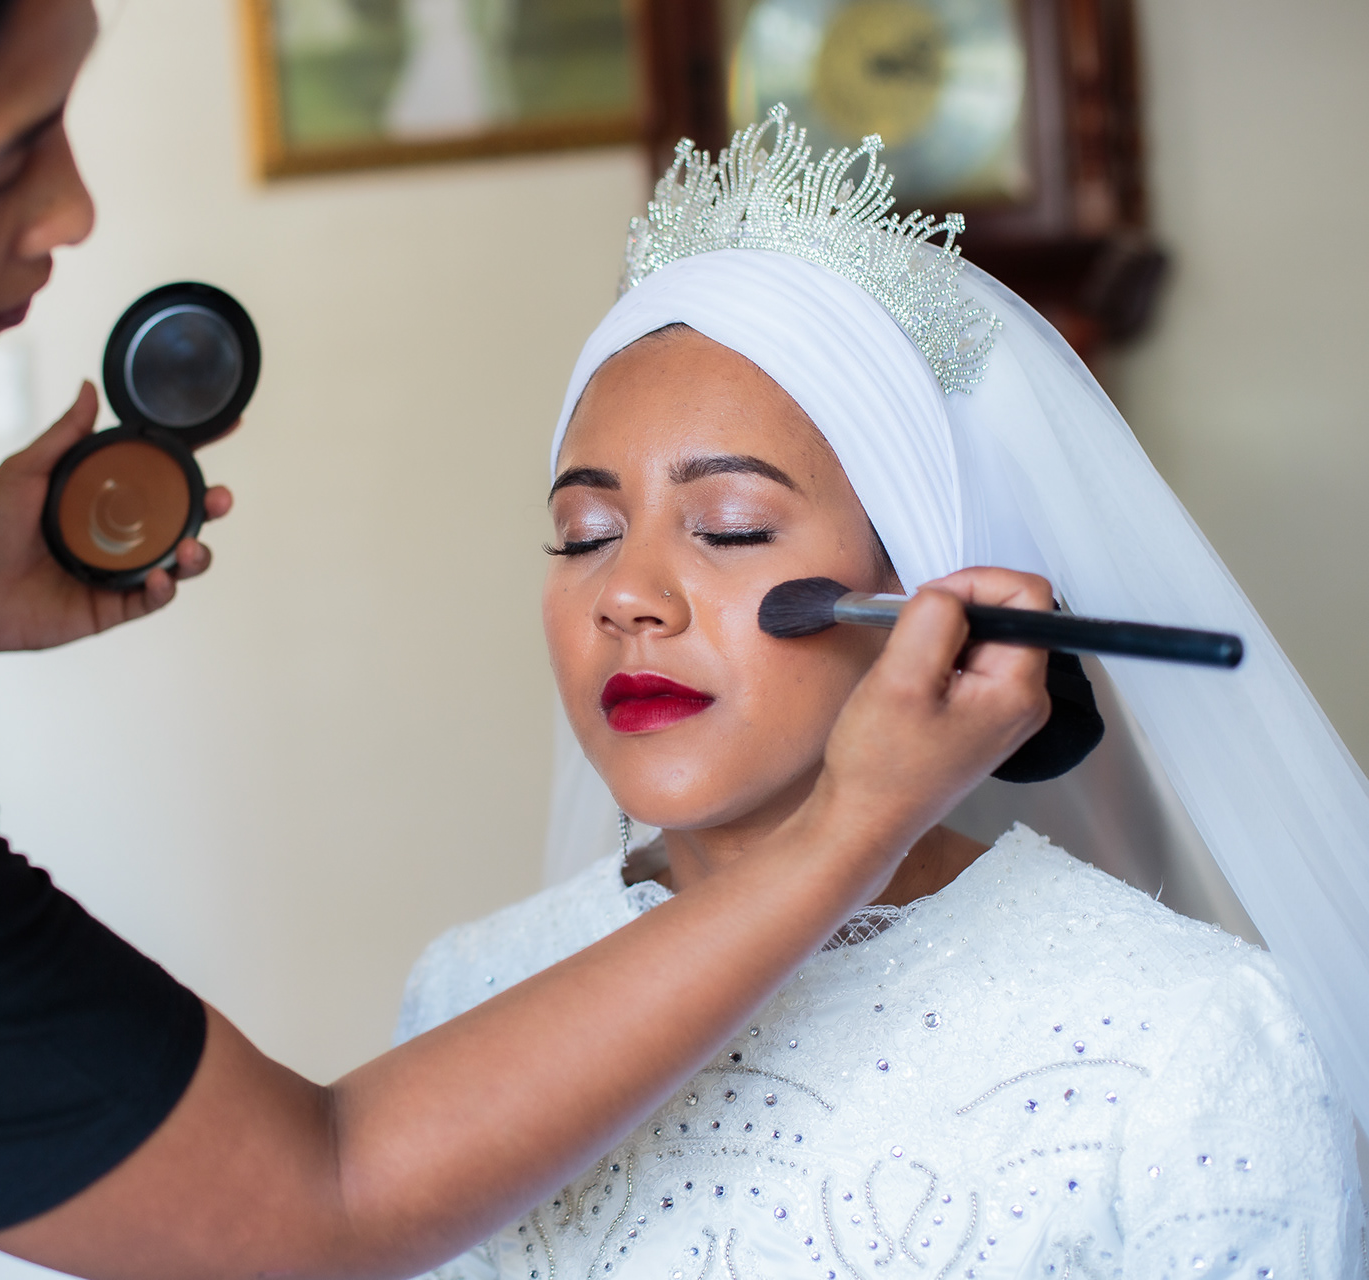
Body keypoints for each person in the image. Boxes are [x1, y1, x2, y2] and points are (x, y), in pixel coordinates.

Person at [0, 9, 1056, 1280]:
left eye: (732, 526)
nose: (73, 209)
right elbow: (317, 1199)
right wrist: (856, 819)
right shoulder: (473, 985)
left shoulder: (1143, 1044)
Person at [395, 108, 1369, 1280]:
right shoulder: (468, 991)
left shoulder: (1187, 1037)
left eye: (730, 526)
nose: (630, 596)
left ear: (926, 591)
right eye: (584, 535)